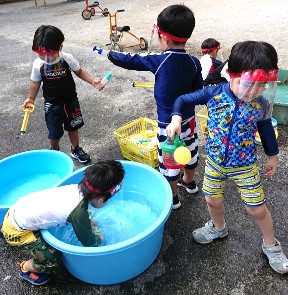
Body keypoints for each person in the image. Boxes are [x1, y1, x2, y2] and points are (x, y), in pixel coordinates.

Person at [166, 41, 288, 274]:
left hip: (245, 166)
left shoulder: (259, 104)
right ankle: (218, 228)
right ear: (231, 74)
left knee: (257, 209)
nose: (254, 91)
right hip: (214, 162)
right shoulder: (214, 93)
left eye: (261, 86)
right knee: (212, 199)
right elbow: (182, 101)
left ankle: (271, 244)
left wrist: (272, 155)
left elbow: (264, 129)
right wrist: (176, 119)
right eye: (248, 84)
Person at [101, 4, 203, 209]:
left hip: (168, 124)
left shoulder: (159, 60)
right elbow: (198, 91)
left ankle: (173, 198)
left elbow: (131, 60)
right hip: (189, 121)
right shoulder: (194, 62)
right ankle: (189, 182)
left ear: (163, 38)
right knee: (190, 151)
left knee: (169, 161)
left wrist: (107, 54)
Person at [0, 160, 125, 285]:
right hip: (17, 233)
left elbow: (70, 212)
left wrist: (87, 222)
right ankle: (25, 268)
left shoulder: (75, 189)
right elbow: (89, 243)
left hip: (14, 212)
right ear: (100, 199)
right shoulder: (78, 213)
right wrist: (99, 239)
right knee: (54, 261)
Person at [23, 25, 104, 164]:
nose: (46, 58)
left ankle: (75, 149)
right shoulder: (38, 64)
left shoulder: (67, 58)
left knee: (73, 126)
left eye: (50, 53)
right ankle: (54, 151)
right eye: (41, 53)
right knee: (54, 131)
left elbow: (79, 72)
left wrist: (93, 81)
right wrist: (30, 98)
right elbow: (35, 82)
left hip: (70, 100)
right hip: (52, 104)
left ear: (60, 47)